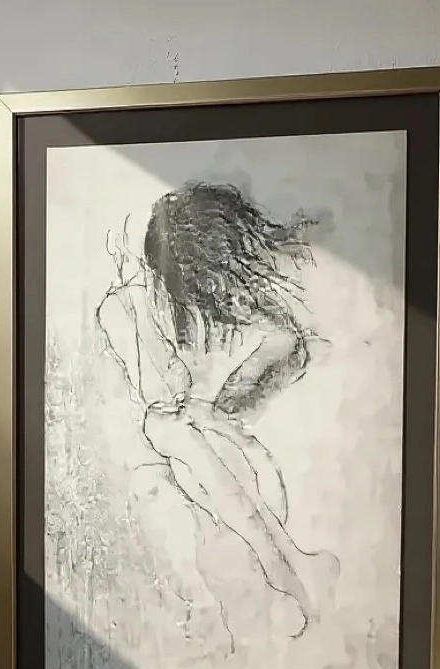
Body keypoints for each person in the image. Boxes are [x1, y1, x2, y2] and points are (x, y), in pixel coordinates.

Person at [94, 181, 337, 634]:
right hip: (182, 438)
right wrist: (211, 409)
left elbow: (286, 343)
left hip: (208, 434)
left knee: (188, 441)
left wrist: (217, 408)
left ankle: (288, 574)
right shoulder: (127, 306)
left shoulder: (256, 290)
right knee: (180, 439)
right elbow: (161, 391)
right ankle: (290, 570)